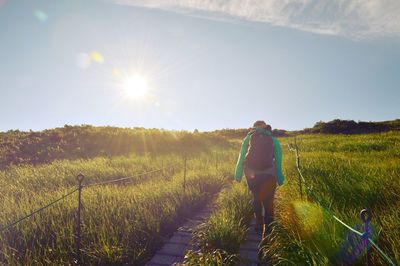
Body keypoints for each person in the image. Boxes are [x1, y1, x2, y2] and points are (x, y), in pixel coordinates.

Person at [234, 120, 285, 237]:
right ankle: (268, 230)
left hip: (251, 172)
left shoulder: (249, 137)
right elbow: (278, 160)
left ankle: (258, 223)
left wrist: (238, 174)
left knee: (256, 197)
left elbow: (241, 156)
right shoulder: (273, 139)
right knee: (268, 201)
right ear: (265, 127)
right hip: (269, 173)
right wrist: (280, 178)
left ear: (253, 127)